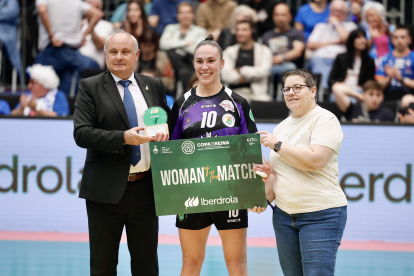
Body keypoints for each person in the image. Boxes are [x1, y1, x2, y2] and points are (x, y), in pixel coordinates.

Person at [73, 29, 170, 276]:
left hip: (146, 190)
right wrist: (123, 138)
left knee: (146, 267)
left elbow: (167, 125)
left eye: (125, 51)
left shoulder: (154, 85)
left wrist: (166, 133)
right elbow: (82, 133)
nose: (119, 57)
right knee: (103, 267)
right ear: (105, 55)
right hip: (105, 192)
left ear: (136, 55)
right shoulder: (90, 86)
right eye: (113, 51)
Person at [169, 37, 257, 276]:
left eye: (210, 60)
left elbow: (250, 152)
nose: (204, 66)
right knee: (191, 262)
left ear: (222, 64)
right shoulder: (181, 105)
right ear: (194, 64)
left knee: (236, 264)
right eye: (199, 61)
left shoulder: (238, 103)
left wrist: (256, 190)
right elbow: (171, 153)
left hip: (231, 194)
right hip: (192, 194)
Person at [253, 68, 347, 276]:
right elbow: (276, 175)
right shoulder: (282, 127)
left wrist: (277, 145)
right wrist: (259, 197)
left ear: (313, 91)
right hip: (284, 217)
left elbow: (316, 160)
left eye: (297, 87)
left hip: (321, 215)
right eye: (286, 89)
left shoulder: (325, 119)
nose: (291, 92)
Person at [35, 0, 103, 95]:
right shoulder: (75, 2)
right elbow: (98, 14)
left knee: (42, 93)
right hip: (72, 54)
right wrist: (84, 35)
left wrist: (51, 35)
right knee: (65, 95)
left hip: (51, 50)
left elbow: (42, 10)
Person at [307, 0, 357, 90]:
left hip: (339, 60)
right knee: (315, 60)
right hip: (320, 58)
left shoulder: (351, 26)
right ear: (330, 12)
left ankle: (325, 90)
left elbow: (347, 39)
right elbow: (310, 44)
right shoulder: (321, 26)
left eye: (340, 11)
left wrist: (337, 24)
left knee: (338, 62)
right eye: (335, 11)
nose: (337, 14)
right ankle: (324, 89)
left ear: (346, 14)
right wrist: (335, 42)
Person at [160, 2, 207, 93]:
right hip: (171, 64)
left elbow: (198, 50)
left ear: (193, 15)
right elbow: (163, 44)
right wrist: (185, 43)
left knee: (174, 54)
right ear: (177, 15)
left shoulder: (200, 31)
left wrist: (174, 44)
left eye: (188, 12)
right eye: (182, 12)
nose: (185, 15)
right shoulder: (170, 28)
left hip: (190, 63)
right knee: (172, 55)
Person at [221, 20, 272, 102]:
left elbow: (264, 71)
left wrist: (240, 70)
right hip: (233, 93)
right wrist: (251, 76)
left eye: (244, 30)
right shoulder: (229, 51)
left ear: (252, 31)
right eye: (238, 30)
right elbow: (226, 75)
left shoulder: (264, 50)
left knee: (266, 104)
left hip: (257, 94)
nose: (240, 33)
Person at [262, 3, 305, 98]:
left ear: (290, 16)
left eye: (283, 15)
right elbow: (262, 53)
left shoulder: (296, 33)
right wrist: (269, 60)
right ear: (273, 17)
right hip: (269, 65)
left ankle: (286, 99)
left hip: (287, 65)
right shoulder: (267, 35)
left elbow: (297, 51)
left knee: (290, 67)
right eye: (277, 15)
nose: (280, 18)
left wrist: (281, 58)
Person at [329, 29, 375, 100]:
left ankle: (356, 96)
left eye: (364, 37)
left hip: (359, 90)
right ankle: (356, 96)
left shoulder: (370, 61)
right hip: (342, 88)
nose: (363, 40)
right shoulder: (341, 57)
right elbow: (331, 80)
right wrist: (340, 84)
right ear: (352, 40)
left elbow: (370, 81)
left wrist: (362, 87)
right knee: (336, 89)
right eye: (358, 38)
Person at [375, 25, 414, 100]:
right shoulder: (385, 59)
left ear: (409, 39)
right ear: (392, 40)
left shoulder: (413, 57)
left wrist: (401, 79)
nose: (399, 40)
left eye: (403, 37)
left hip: (409, 95)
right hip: (388, 95)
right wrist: (389, 78)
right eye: (396, 37)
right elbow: (378, 87)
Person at [79, 0, 114, 69]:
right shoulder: (80, 23)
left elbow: (99, 45)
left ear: (100, 9)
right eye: (90, 6)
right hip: (76, 57)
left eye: (96, 7)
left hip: (93, 61)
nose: (93, 10)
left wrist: (90, 28)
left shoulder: (107, 25)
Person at [361, 2, 391, 68]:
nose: (369, 18)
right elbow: (364, 49)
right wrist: (372, 37)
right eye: (367, 16)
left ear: (380, 15)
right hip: (372, 62)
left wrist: (389, 34)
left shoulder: (389, 28)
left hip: (389, 61)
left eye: (372, 15)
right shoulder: (364, 31)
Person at [0, 0, 22, 77]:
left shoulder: (12, 1)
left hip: (9, 36)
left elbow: (11, 13)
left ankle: (22, 82)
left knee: (16, 61)